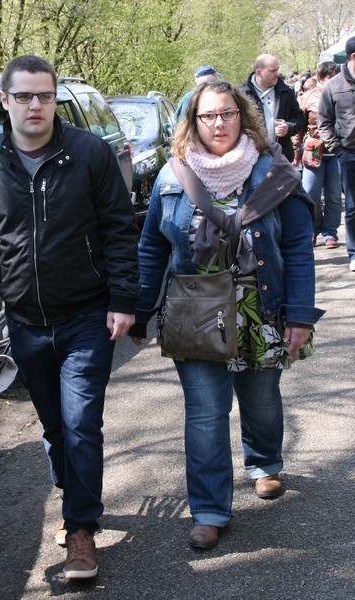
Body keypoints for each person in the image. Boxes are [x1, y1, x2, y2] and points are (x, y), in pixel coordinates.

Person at [0, 55, 139, 579]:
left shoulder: (89, 153)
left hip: (87, 315)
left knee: (81, 423)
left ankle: (81, 529)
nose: (35, 105)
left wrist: (123, 299)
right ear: (5, 100)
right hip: (25, 322)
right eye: (24, 96)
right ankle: (72, 497)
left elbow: (119, 228)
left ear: (55, 97)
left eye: (44, 95)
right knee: (55, 427)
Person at [130, 80, 324, 550]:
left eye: (228, 113)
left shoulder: (273, 172)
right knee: (205, 413)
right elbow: (152, 247)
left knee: (261, 400)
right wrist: (139, 310)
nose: (218, 123)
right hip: (194, 312)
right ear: (193, 121)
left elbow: (298, 247)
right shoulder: (172, 176)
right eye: (208, 115)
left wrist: (300, 315)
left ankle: (263, 462)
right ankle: (209, 510)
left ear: (243, 117)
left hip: (262, 309)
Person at [293, 61, 341, 248]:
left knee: (334, 195)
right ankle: (312, 228)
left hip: (337, 151)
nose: (333, 81)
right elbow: (300, 126)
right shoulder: (309, 97)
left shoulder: (344, 93)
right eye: (330, 77)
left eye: (336, 77)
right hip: (314, 150)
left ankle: (330, 232)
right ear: (320, 78)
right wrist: (296, 149)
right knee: (310, 191)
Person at [318, 36, 355, 272]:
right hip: (348, 154)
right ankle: (354, 253)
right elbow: (324, 122)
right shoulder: (333, 86)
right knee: (352, 207)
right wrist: (338, 150)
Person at [241, 54, 304, 162]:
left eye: (277, 70)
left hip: (281, 157)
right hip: (251, 159)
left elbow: (299, 118)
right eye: (273, 71)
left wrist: (288, 127)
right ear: (259, 72)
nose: (277, 74)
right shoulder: (242, 94)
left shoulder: (286, 92)